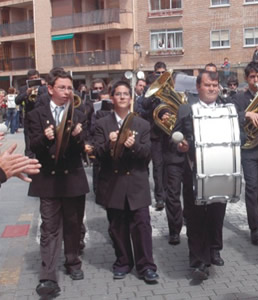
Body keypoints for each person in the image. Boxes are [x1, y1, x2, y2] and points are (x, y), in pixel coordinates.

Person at [27, 69, 89, 298]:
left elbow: (84, 148)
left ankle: (73, 262)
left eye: (70, 88)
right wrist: (45, 137)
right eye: (62, 88)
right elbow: (33, 145)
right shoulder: (36, 114)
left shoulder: (79, 113)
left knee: (73, 224)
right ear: (50, 89)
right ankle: (48, 276)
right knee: (49, 228)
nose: (67, 92)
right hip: (48, 179)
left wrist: (77, 137)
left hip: (72, 176)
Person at [93, 80, 159, 283]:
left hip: (136, 183)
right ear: (112, 97)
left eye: (125, 94)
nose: (122, 97)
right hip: (113, 182)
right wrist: (108, 144)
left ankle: (146, 266)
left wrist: (133, 146)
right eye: (118, 94)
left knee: (142, 225)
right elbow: (96, 154)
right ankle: (123, 262)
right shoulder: (102, 124)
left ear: (131, 98)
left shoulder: (142, 124)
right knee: (117, 226)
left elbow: (147, 155)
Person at [173, 70, 228, 280]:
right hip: (194, 169)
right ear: (198, 87)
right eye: (207, 85)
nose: (212, 89)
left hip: (220, 168)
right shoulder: (187, 110)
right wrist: (182, 145)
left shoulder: (227, 107)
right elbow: (176, 136)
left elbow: (238, 134)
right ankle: (198, 262)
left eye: (215, 85)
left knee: (216, 213)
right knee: (195, 217)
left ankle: (214, 248)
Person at [232, 62, 258, 244]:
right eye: (252, 77)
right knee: (252, 187)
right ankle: (254, 228)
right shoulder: (239, 97)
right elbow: (232, 116)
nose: (255, 80)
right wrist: (247, 114)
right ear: (246, 78)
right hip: (248, 148)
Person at [142, 61, 167, 211]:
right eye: (158, 73)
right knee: (157, 167)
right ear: (154, 73)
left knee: (167, 167)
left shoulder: (170, 88)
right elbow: (143, 104)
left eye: (163, 73)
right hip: (154, 133)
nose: (161, 75)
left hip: (168, 133)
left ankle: (167, 193)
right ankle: (159, 198)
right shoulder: (148, 89)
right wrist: (154, 93)